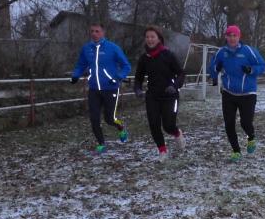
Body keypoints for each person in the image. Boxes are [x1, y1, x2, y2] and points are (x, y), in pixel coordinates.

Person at [208, 25, 265, 162]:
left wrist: (251, 70)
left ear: (239, 37)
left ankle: (251, 137)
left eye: (234, 35)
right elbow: (212, 68)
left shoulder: (248, 51)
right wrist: (215, 69)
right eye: (229, 35)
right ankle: (236, 151)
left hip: (248, 93)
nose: (232, 38)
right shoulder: (222, 52)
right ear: (226, 37)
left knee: (245, 123)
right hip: (228, 93)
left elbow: (262, 65)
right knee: (229, 124)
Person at [70, 22, 131, 153]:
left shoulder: (113, 48)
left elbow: (126, 66)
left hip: (110, 88)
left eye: (97, 31)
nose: (94, 34)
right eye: (92, 31)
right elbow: (80, 65)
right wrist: (75, 75)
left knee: (109, 119)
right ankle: (101, 143)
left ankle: (121, 127)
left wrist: (118, 77)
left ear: (103, 32)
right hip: (93, 89)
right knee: (94, 118)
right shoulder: (86, 49)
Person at [133, 25, 186, 162]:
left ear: (159, 39)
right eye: (147, 37)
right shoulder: (144, 58)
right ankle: (162, 151)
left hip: (170, 96)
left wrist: (174, 86)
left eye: (152, 37)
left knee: (168, 126)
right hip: (152, 96)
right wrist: (138, 89)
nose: (150, 39)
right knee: (154, 124)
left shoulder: (168, 55)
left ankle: (177, 133)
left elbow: (181, 73)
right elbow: (138, 78)